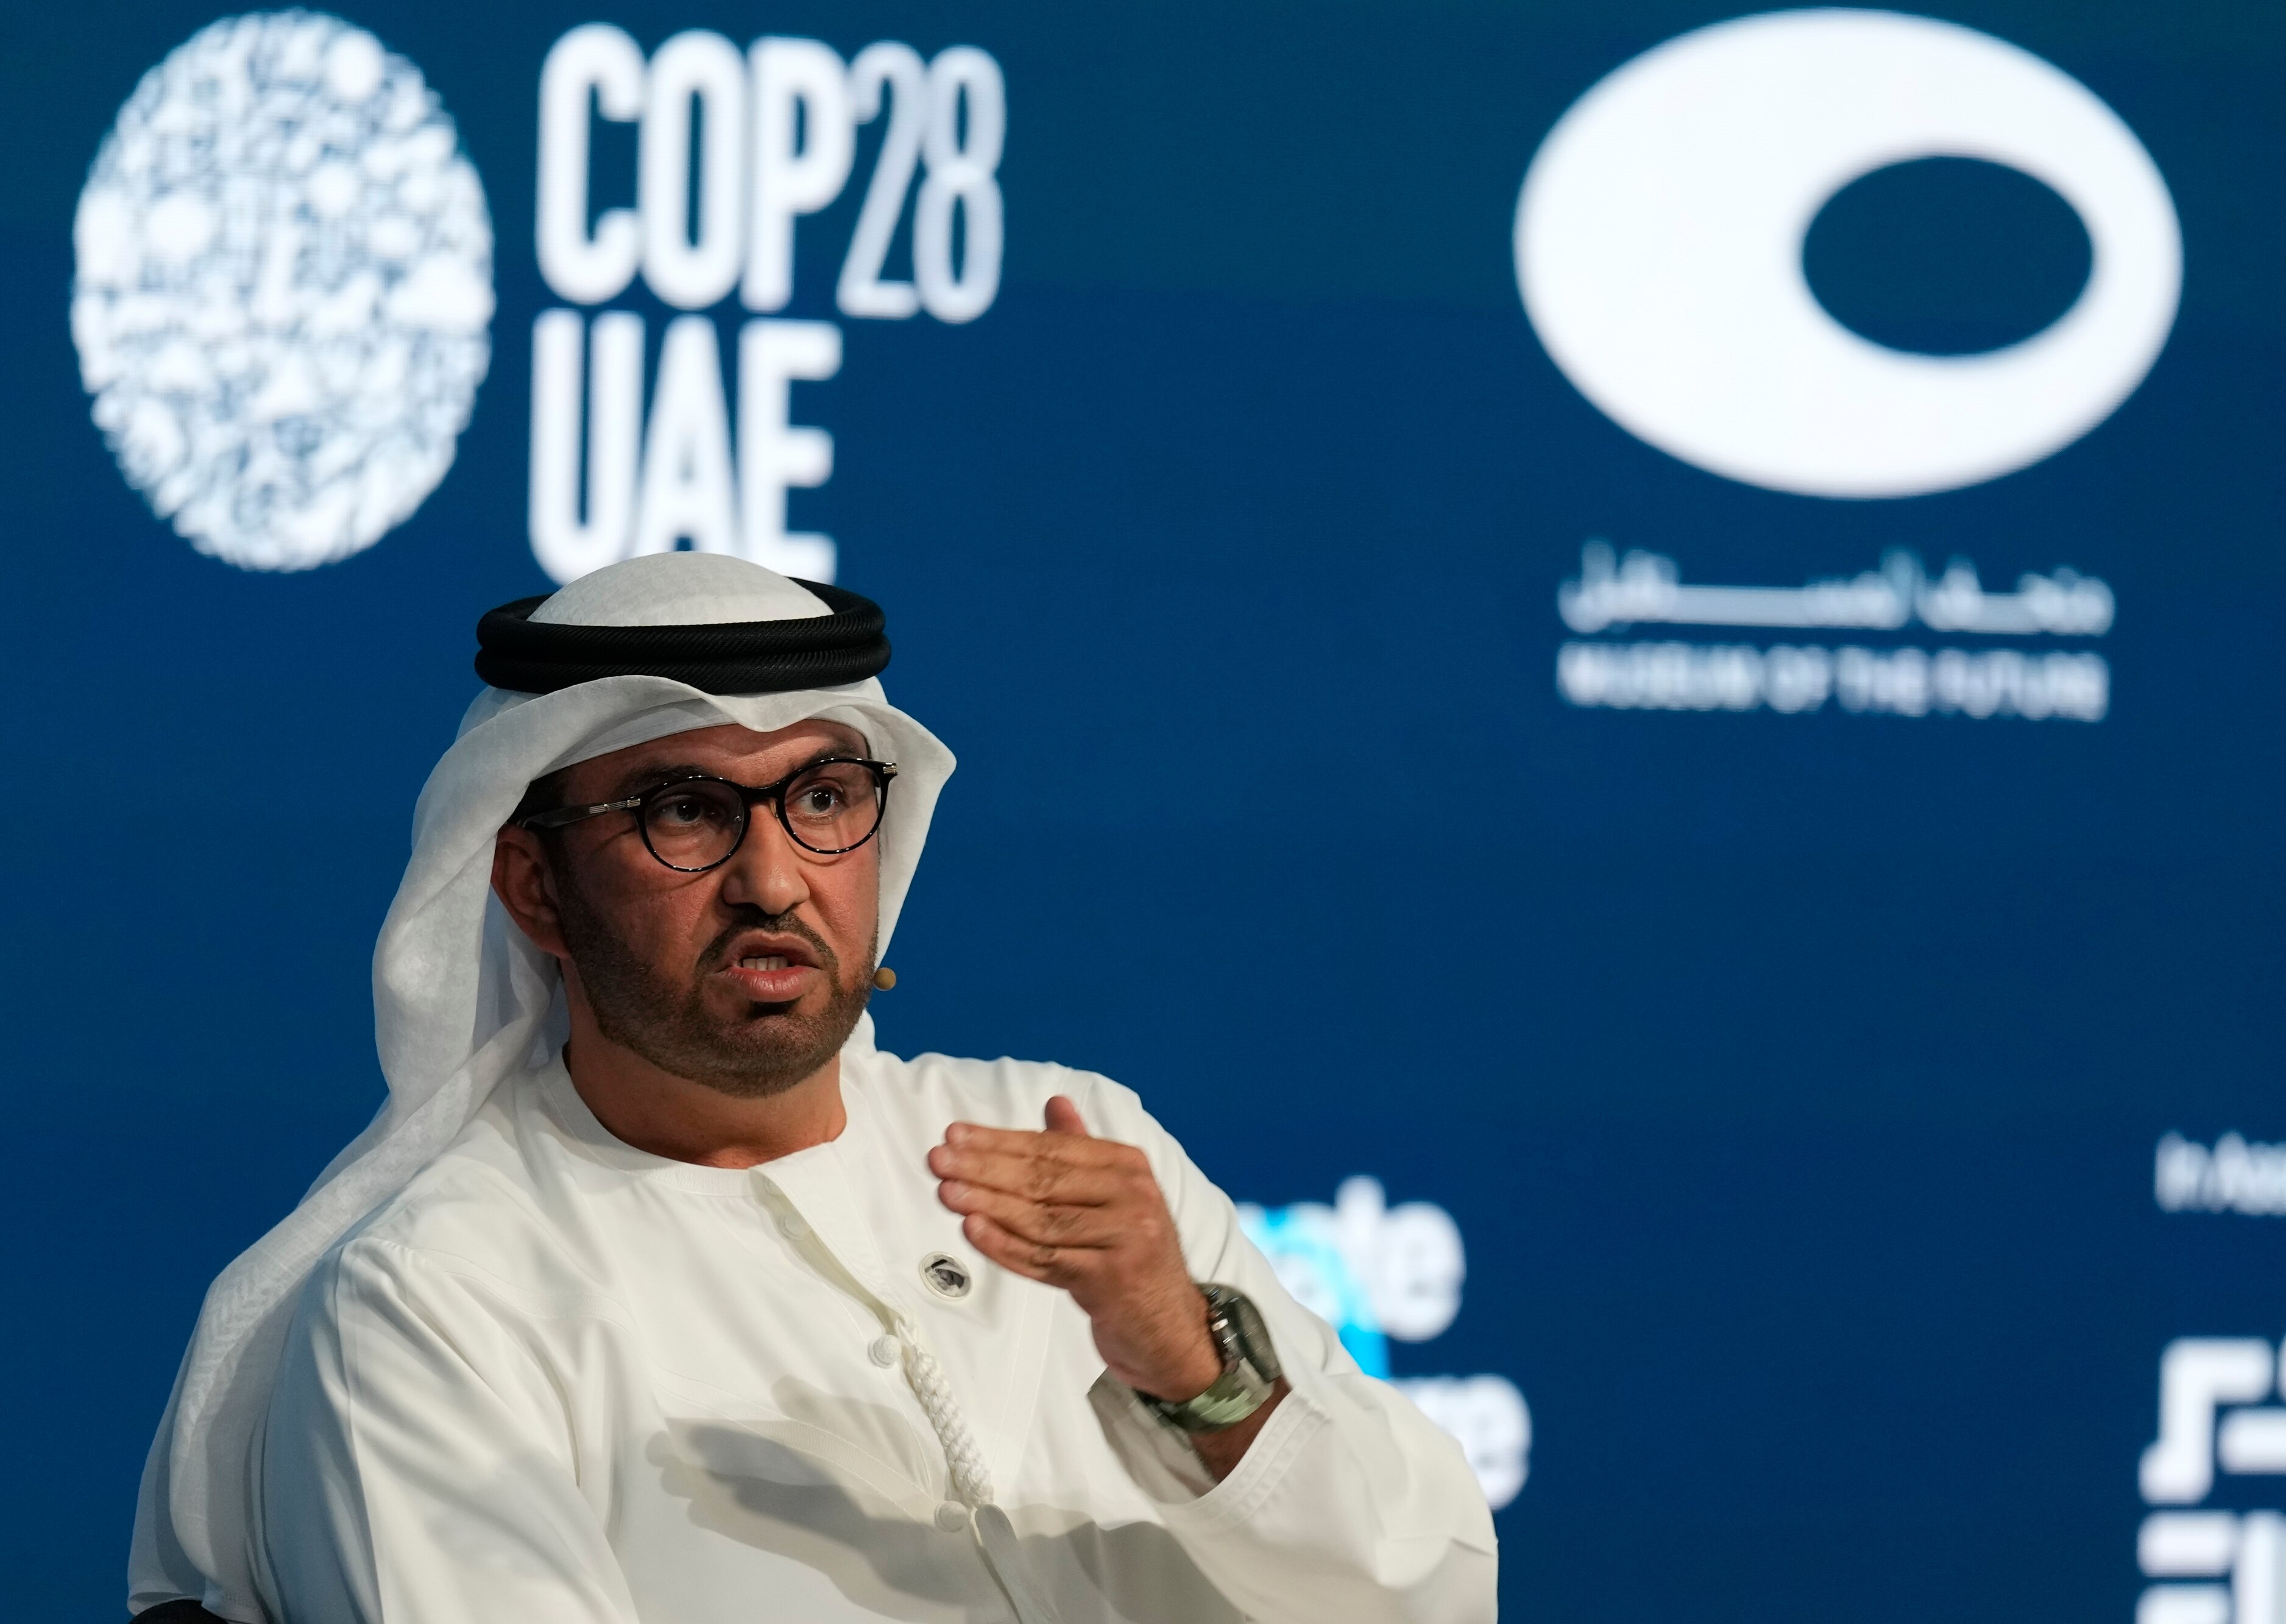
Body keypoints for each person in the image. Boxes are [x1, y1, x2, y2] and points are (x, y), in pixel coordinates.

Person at [129, 553, 1495, 1623]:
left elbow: (1428, 1591)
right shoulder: (439, 1300)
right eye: (683, 809)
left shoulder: (1071, 1140)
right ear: (535, 882)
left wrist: (1193, 1369)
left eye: (822, 796)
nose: (774, 878)